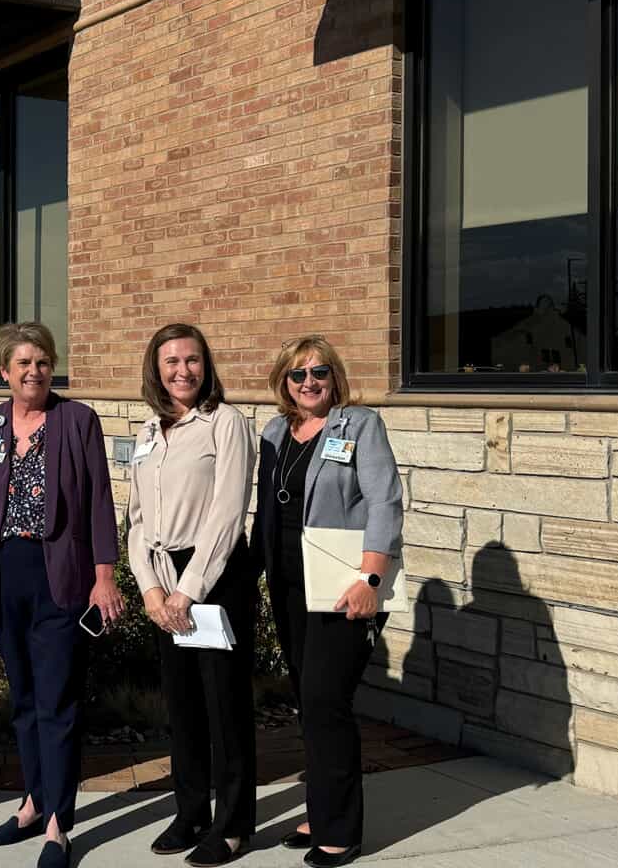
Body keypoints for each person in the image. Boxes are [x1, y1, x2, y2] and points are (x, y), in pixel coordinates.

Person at [0, 322, 124, 868]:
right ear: (4, 372)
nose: (34, 371)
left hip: (62, 575)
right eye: (23, 363)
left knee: (56, 701)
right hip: (4, 575)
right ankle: (31, 803)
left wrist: (104, 577)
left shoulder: (76, 420)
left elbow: (100, 501)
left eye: (43, 361)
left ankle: (59, 824)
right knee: (24, 700)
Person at [251, 336, 403, 868]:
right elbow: (266, 510)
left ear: (334, 377)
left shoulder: (359, 425)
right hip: (291, 586)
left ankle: (340, 829)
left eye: (318, 371)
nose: (309, 382)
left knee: (325, 700)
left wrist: (371, 578)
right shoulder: (275, 431)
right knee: (307, 700)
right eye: (297, 375)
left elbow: (384, 500)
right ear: (283, 382)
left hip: (344, 586)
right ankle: (319, 809)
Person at [126, 324, 256, 867]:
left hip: (214, 575)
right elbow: (135, 519)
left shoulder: (226, 423)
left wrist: (188, 591)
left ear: (207, 364)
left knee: (224, 705)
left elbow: (227, 515)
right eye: (171, 361)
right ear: (155, 369)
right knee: (182, 707)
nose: (183, 371)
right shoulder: (149, 433)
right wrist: (152, 588)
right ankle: (190, 812)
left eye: (193, 360)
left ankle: (232, 824)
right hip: (163, 577)